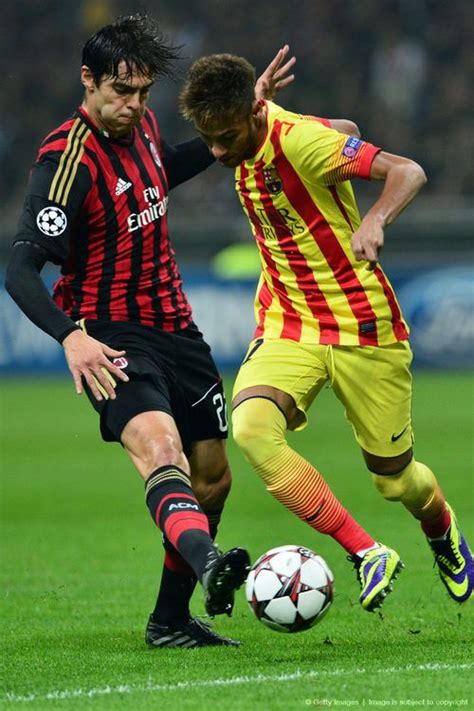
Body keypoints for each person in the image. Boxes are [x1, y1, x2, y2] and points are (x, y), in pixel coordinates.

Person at [5, 16, 298, 649]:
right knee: (161, 451)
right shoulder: (66, 161)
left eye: (142, 94)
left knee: (214, 474)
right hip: (110, 336)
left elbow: (159, 172)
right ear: (88, 81)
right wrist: (69, 337)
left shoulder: (143, 127)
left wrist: (237, 127)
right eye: (121, 93)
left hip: (176, 327)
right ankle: (211, 563)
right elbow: (20, 268)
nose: (134, 107)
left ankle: (169, 621)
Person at [180, 53, 474, 610]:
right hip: (288, 318)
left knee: (396, 481)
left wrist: (375, 218)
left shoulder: (298, 142)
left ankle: (440, 528)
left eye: (224, 137)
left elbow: (407, 170)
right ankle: (367, 552)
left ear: (249, 114)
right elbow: (348, 132)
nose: (216, 152)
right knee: (250, 429)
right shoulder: (253, 126)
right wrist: (263, 109)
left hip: (362, 323)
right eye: (207, 138)